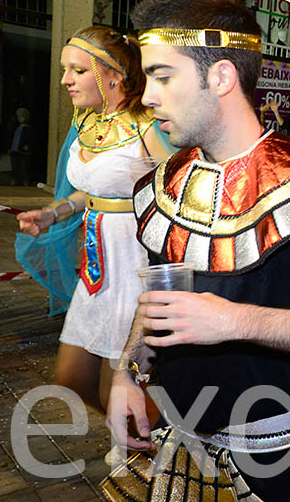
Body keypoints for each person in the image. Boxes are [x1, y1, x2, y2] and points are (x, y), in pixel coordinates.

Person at [102, 0, 290, 502]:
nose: (149, 96)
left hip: (272, 463)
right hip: (175, 441)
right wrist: (129, 372)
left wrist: (232, 320)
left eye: (162, 76)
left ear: (222, 77)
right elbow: (156, 299)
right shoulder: (164, 184)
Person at [15, 26, 172, 413]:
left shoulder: (149, 125)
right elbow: (95, 189)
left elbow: (183, 188)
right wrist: (55, 212)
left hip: (135, 268)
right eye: (65, 69)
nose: (66, 80)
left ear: (115, 74)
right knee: (72, 381)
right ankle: (143, 436)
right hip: (95, 270)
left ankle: (141, 452)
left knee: (118, 389)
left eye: (78, 71)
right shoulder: (87, 123)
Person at [9, 107, 35, 186]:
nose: (21, 119)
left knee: (24, 168)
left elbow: (31, 139)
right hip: (14, 150)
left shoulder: (29, 129)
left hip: (23, 151)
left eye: (23, 117)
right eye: (19, 117)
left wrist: (28, 146)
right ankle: (13, 181)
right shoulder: (15, 127)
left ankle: (25, 182)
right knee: (14, 167)